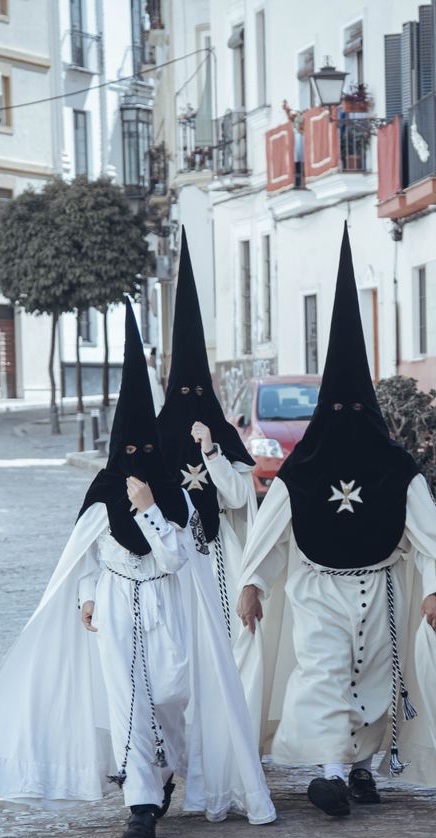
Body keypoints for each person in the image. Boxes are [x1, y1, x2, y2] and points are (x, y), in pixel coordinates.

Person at [0, 301, 276, 838]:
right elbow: (85, 552)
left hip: (167, 605)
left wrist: (150, 509)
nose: (133, 458)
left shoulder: (174, 498)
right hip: (115, 605)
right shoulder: (103, 491)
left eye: (142, 451)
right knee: (128, 698)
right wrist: (87, 595)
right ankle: (140, 802)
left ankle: (169, 769)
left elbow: (176, 558)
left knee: (171, 695)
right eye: (125, 450)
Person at [234, 226, 436, 817]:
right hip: (317, 588)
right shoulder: (303, 466)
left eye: (355, 411)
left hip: (384, 587)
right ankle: (331, 773)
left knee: (374, 685)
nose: (346, 421)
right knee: (325, 674)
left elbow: (427, 528)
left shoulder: (394, 465)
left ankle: (360, 770)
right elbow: (273, 528)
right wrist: (254, 582)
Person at [158, 229, 257, 638]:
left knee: (229, 644)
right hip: (171, 556)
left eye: (199, 393)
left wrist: (212, 453)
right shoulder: (158, 437)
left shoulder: (222, 437)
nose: (192, 401)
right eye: (184, 394)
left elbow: (236, 498)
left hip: (221, 556)